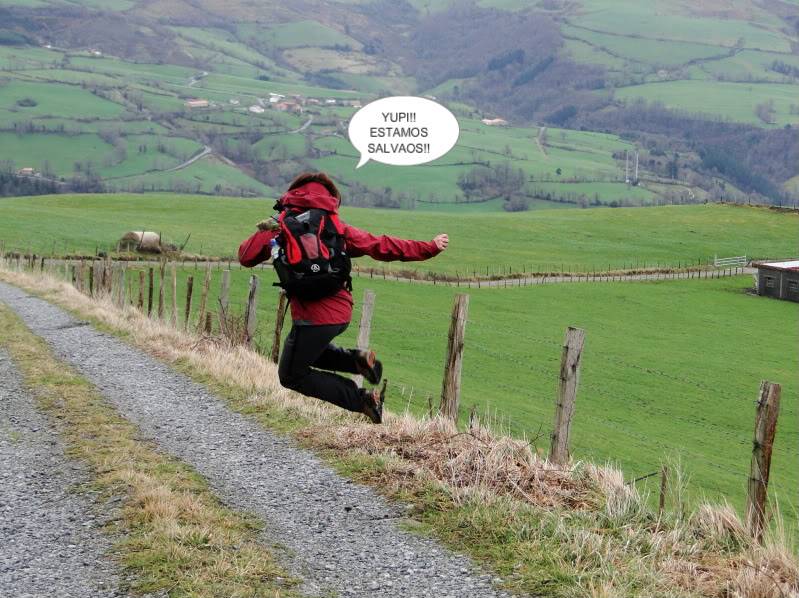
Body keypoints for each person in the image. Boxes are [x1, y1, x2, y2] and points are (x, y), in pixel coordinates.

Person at [238, 172, 448, 423]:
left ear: (292, 194)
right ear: (329, 198)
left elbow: (245, 256)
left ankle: (363, 399)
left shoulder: (281, 225)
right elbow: (381, 245)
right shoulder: (335, 228)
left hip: (312, 318)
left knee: (291, 375)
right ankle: (360, 361)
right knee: (310, 353)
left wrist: (273, 229)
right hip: (340, 312)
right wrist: (429, 247)